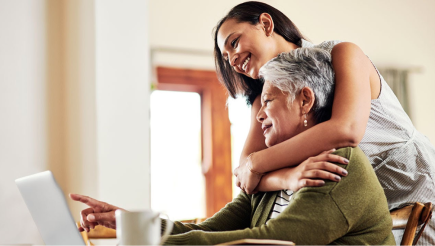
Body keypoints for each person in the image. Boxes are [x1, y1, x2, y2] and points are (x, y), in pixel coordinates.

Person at [71, 48, 395, 245]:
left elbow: (272, 240)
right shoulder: (275, 171)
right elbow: (209, 228)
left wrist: (148, 242)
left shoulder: (340, 164)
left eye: (268, 101)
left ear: (305, 100)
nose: (261, 114)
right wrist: (131, 223)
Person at [214, 1, 435, 244]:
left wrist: (257, 163)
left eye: (234, 43)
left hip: (418, 186)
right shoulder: (263, 102)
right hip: (365, 205)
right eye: (226, 58)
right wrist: (290, 176)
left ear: (266, 24)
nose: (232, 61)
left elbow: (346, 130)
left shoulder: (341, 54)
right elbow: (245, 176)